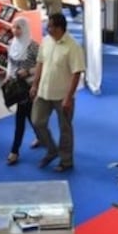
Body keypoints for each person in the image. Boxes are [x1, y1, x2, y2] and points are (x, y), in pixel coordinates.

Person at [30, 13, 84, 173]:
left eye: (51, 26)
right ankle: (52, 149)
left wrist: (68, 98)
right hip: (43, 92)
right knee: (37, 122)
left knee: (65, 129)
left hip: (63, 96)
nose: (47, 28)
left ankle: (66, 161)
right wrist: (34, 84)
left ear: (60, 28)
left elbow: (77, 72)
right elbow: (40, 63)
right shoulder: (46, 41)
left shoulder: (73, 46)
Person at [4, 17, 39, 165]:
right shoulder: (12, 44)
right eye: (13, 27)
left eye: (18, 28)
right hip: (16, 86)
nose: (15, 31)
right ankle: (42, 136)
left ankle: (14, 151)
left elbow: (41, 66)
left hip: (28, 87)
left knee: (20, 118)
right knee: (29, 115)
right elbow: (10, 64)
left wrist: (28, 71)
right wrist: (7, 76)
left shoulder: (33, 46)